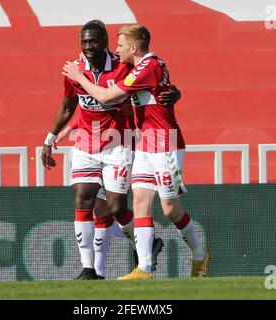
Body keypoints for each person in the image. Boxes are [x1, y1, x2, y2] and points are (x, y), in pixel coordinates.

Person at [62, 24, 210, 280]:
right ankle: (145, 268)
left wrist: (80, 78)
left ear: (133, 47)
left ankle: (199, 255)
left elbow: (107, 97)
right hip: (144, 143)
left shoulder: (147, 66)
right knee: (140, 204)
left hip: (166, 143)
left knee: (170, 210)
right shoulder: (140, 66)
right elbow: (104, 105)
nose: (116, 50)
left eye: (120, 45)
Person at [42, 20, 179, 280]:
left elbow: (157, 84)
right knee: (84, 196)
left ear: (104, 42)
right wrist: (49, 138)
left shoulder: (122, 65)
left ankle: (146, 245)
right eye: (84, 42)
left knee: (116, 207)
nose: (88, 46)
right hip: (85, 144)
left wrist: (175, 94)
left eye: (93, 41)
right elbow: (70, 105)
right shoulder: (74, 69)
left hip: (118, 143)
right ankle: (88, 269)